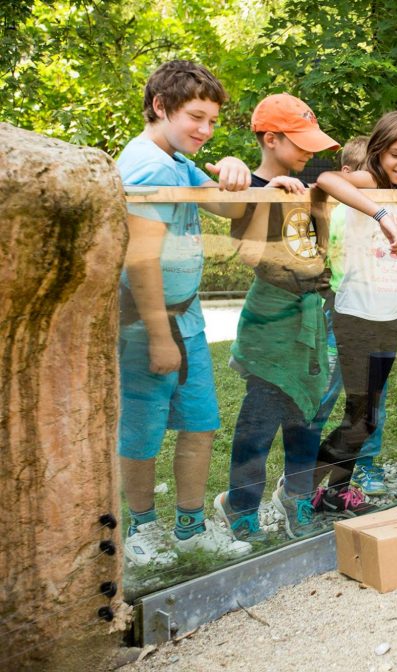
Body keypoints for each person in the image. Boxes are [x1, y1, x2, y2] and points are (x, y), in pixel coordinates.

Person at [117, 60, 254, 567]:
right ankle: (143, 531)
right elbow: (140, 259)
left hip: (188, 318)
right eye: (197, 116)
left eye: (214, 121)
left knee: (200, 424)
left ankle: (190, 529)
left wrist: (242, 172)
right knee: (143, 431)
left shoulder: (176, 159)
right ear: (160, 106)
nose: (206, 129)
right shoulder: (149, 164)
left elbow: (231, 210)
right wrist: (158, 337)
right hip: (147, 322)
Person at [213, 94, 340, 541]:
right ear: (271, 138)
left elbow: (315, 250)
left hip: (310, 316)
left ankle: (297, 496)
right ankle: (240, 505)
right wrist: (265, 198)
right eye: (301, 142)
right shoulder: (248, 184)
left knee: (306, 415)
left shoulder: (305, 184)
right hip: (270, 321)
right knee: (260, 419)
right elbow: (248, 253)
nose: (310, 151)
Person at [311, 111, 397, 514]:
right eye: (395, 154)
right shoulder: (370, 183)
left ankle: (335, 493)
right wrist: (380, 212)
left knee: (368, 418)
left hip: (389, 318)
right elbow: (326, 180)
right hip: (355, 316)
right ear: (378, 150)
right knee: (358, 416)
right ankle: (298, 489)